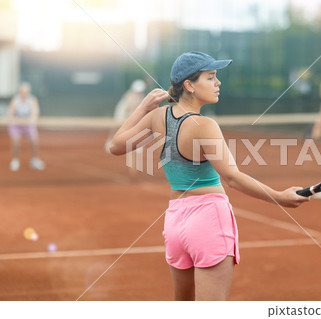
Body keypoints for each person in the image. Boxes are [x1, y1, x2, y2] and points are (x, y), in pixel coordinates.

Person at [109, 52, 309, 301]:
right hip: (208, 221)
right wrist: (280, 197)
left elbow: (115, 146)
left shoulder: (156, 117)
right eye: (211, 77)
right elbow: (232, 178)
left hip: (174, 223)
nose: (218, 83)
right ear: (189, 85)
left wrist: (142, 108)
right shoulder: (205, 125)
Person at [7, 82, 45, 171]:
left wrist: (31, 120)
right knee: (16, 142)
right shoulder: (15, 99)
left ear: (28, 92)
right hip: (16, 124)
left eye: (26, 92)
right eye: (22, 92)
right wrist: (15, 119)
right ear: (20, 92)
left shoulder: (32, 99)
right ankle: (15, 161)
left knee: (34, 142)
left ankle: (34, 160)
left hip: (28, 124)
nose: (24, 94)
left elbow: (35, 112)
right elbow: (11, 112)